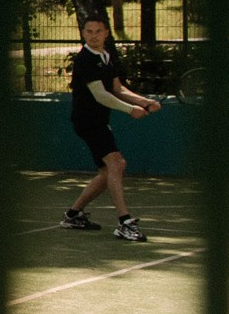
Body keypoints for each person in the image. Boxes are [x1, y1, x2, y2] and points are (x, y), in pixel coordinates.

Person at [63, 14, 160, 242]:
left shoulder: (107, 57)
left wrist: (144, 101)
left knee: (109, 170)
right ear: (83, 34)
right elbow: (100, 95)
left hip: (99, 121)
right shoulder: (85, 60)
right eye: (89, 32)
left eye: (98, 31)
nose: (93, 36)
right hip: (87, 121)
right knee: (116, 163)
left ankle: (73, 215)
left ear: (106, 33)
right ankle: (124, 222)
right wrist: (130, 110)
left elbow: (118, 89)